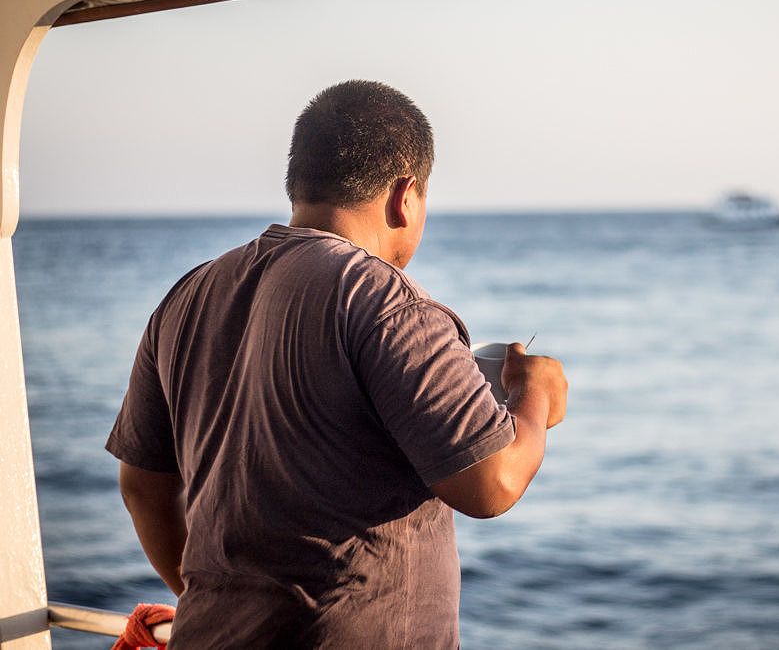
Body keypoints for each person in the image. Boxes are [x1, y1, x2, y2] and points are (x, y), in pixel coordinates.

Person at [106, 80, 568, 649]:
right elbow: (492, 482)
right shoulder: (387, 302)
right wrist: (537, 392)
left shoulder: (189, 295)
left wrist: (224, 605)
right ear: (406, 193)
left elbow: (142, 488)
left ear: (299, 181)